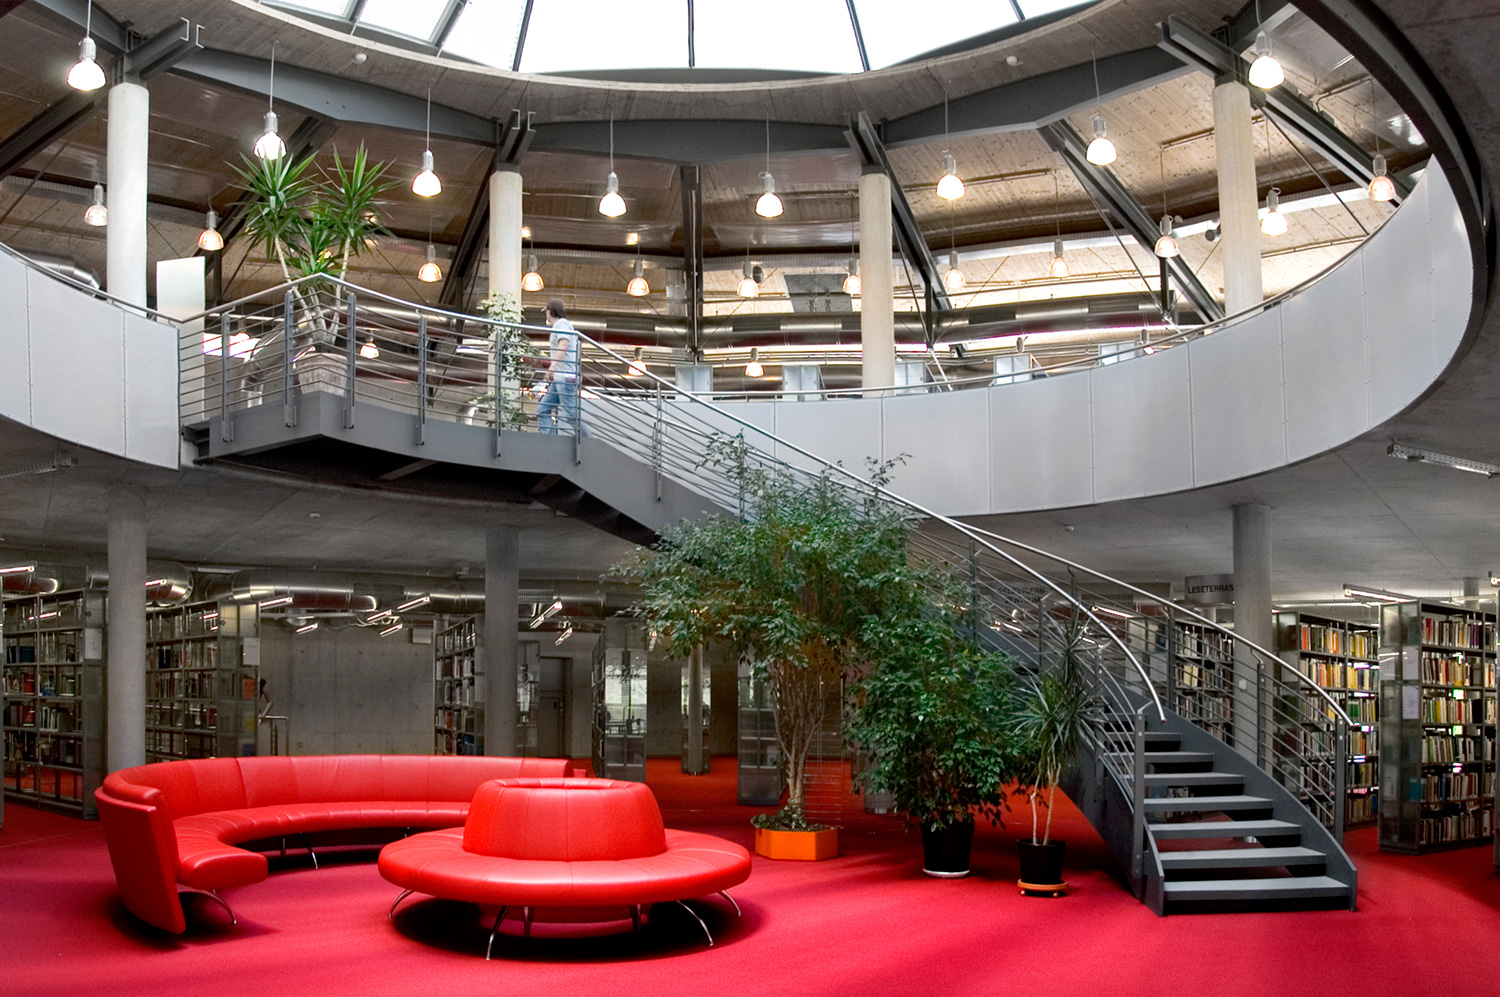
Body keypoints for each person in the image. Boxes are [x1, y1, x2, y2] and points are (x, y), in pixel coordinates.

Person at [536, 297, 579, 434]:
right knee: (543, 410)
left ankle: (587, 441)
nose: (546, 314)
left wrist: (552, 367)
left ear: (550, 311)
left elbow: (563, 344)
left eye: (546, 311)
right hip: (560, 378)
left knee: (571, 415)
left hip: (565, 377)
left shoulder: (561, 324)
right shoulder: (561, 325)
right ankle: (551, 441)